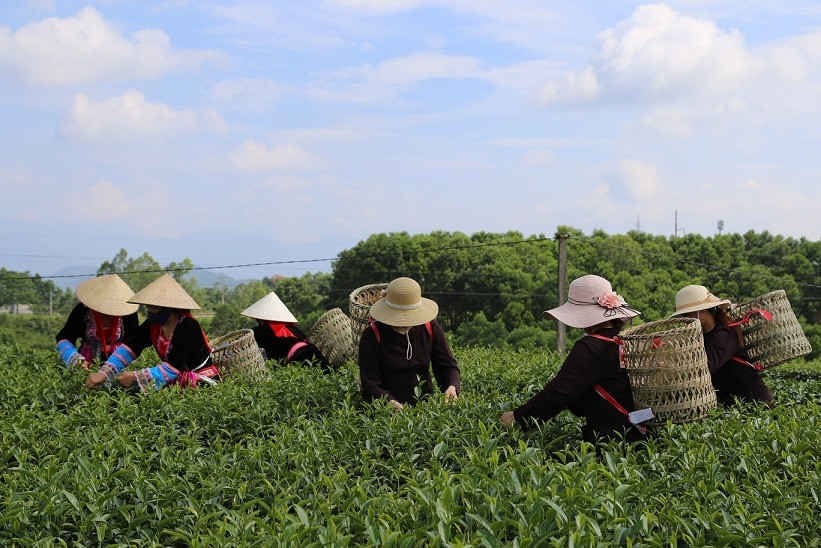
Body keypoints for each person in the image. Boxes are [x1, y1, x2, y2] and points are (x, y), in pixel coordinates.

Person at [501, 274, 647, 442]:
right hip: (641, 431)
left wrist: (518, 418)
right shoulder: (627, 341)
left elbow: (559, 393)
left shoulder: (590, 347)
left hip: (610, 440)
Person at [85, 274, 218, 392]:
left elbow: (176, 366)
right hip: (173, 378)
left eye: (154, 307)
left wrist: (135, 377)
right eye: (148, 307)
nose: (150, 311)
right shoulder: (154, 324)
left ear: (170, 308)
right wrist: (104, 372)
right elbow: (132, 345)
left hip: (201, 380)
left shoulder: (188, 326)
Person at [358, 277, 460, 409]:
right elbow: (369, 382)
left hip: (425, 407)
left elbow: (447, 365)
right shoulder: (372, 335)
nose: (404, 322)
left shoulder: (429, 327)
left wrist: (452, 386)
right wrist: (388, 402)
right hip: (384, 413)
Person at [671, 284, 773, 406]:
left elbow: (707, 367)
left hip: (753, 402)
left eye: (688, 314)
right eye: (684, 316)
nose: (686, 319)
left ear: (702, 310)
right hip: (730, 403)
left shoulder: (725, 334)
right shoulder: (701, 336)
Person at [55, 274, 139, 370]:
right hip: (86, 362)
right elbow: (64, 336)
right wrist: (74, 358)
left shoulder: (127, 312)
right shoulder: (83, 310)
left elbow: (134, 341)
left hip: (120, 362)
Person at [241, 291, 329, 367]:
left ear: (261, 319)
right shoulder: (294, 329)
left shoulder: (261, 332)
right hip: (314, 354)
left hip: (297, 360)